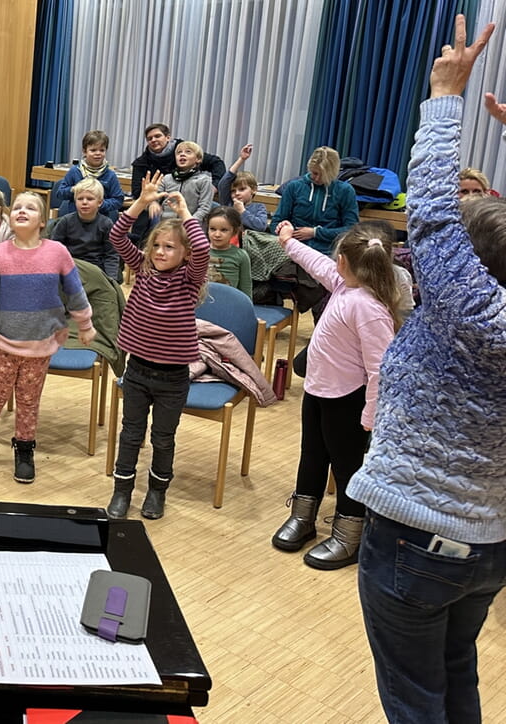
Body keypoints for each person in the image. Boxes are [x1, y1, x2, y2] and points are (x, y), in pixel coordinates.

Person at [351, 17, 506, 722]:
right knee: (457, 678)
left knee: (415, 700)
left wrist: (446, 98)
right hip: (488, 542)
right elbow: (449, 221)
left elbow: (436, 214)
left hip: (418, 537)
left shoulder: (465, 306)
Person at [268, 219, 398, 568]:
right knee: (311, 456)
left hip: (349, 401)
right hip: (318, 391)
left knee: (347, 467)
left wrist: (370, 416)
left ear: (345, 261)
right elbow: (315, 262)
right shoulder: (344, 284)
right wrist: (287, 241)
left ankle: (348, 534)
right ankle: (303, 517)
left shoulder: (369, 309)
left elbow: (380, 371)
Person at [0, 192, 94, 483]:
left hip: (41, 344)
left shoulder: (57, 252)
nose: (22, 211)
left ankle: (24, 449)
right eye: (17, 206)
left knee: (29, 402)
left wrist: (85, 325)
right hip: (5, 343)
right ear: (10, 216)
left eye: (30, 208)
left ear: (42, 221)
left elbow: (75, 293)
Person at [106, 173, 209, 520]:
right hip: (136, 372)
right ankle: (122, 491)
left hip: (172, 378)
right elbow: (117, 235)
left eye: (170, 247)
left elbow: (204, 248)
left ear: (184, 254)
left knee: (163, 439)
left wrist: (184, 213)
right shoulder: (144, 269)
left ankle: (156, 492)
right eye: (157, 246)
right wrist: (141, 201)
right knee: (131, 433)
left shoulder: (188, 278)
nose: (161, 252)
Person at [129, 123, 226, 240]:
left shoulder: (185, 150)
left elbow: (217, 164)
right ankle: (146, 245)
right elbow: (138, 191)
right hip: (164, 210)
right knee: (148, 215)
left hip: (192, 211)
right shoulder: (145, 164)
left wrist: (214, 186)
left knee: (218, 211)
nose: (153, 140)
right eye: (150, 138)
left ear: (168, 137)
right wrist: (152, 202)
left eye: (157, 136)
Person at [270, 146, 359, 255]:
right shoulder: (294, 187)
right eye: (314, 173)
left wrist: (315, 233)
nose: (316, 178)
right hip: (294, 247)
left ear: (333, 173)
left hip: (327, 251)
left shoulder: (345, 191)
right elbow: (276, 222)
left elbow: (351, 230)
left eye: (322, 175)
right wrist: (282, 229)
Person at [50, 178, 119, 284]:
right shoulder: (65, 222)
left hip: (96, 271)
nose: (84, 202)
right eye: (80, 199)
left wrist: (112, 281)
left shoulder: (106, 224)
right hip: (70, 268)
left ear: (100, 202)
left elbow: (111, 255)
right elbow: (55, 251)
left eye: (90, 199)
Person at [52, 130, 125, 220]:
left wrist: (99, 204)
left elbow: (118, 199)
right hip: (75, 219)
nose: (98, 153)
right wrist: (74, 189)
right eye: (93, 150)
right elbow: (60, 193)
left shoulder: (110, 175)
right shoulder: (75, 171)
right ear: (84, 151)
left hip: (100, 220)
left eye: (102, 150)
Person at [153, 141, 214, 223]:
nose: (182, 154)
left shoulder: (204, 180)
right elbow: (155, 197)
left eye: (188, 152)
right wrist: (153, 203)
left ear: (198, 159)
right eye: (179, 152)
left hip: (191, 225)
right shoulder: (167, 178)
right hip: (166, 225)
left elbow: (204, 208)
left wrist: (190, 223)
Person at [218, 144, 269, 232]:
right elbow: (223, 184)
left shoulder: (259, 207)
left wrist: (242, 211)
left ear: (253, 190)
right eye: (233, 191)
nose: (237, 193)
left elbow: (261, 226)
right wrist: (241, 159)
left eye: (242, 189)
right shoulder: (228, 203)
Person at [204, 206, 252, 297]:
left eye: (224, 230)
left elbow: (246, 288)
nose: (217, 234)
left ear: (234, 232)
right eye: (213, 229)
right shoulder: (199, 251)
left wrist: (247, 309)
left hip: (229, 305)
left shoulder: (241, 256)